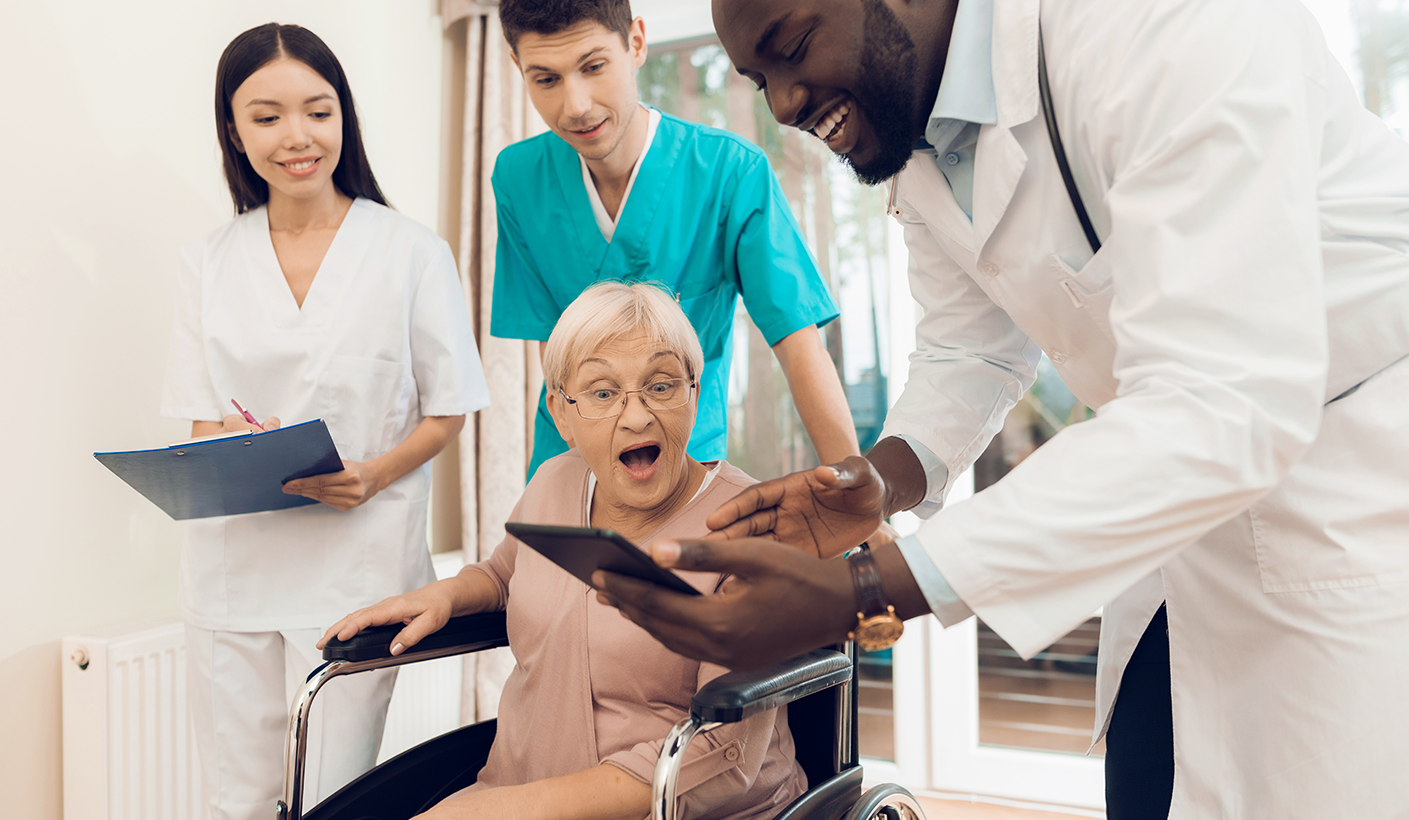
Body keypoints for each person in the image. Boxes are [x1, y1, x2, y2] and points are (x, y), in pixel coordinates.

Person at [593, 0, 1409, 817]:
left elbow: (1222, 393)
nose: (782, 106)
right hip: (1181, 536)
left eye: (794, 48)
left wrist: (864, 589)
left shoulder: (1163, 23)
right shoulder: (913, 126)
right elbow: (969, 347)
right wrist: (877, 484)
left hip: (1342, 489)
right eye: (758, 80)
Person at [160, 23, 490, 819]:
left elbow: (449, 407)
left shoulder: (411, 251)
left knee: (335, 800)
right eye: (266, 116)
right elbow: (194, 420)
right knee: (235, 801)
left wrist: (374, 473)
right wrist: (235, 446)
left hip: (357, 568)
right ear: (234, 132)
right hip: (233, 570)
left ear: (345, 118)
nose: (297, 137)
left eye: (318, 110)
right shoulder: (205, 261)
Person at [321, 282, 807, 820]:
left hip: (669, 807)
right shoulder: (555, 481)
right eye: (602, 393)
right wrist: (449, 594)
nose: (637, 416)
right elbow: (506, 575)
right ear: (562, 413)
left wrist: (509, 812)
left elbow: (726, 754)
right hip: (520, 782)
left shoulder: (748, 530)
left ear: (694, 391)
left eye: (661, 385)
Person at [490, 0, 862, 481]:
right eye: (546, 79)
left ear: (637, 43)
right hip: (568, 466)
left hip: (683, 464)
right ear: (518, 67)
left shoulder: (731, 173)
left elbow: (798, 344)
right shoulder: (518, 178)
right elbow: (552, 350)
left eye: (594, 66)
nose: (575, 106)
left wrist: (860, 503)